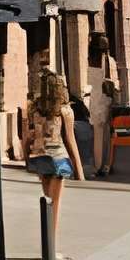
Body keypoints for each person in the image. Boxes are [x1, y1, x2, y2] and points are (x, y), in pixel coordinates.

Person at [24, 69, 84, 241]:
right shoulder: (65, 111)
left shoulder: (34, 109)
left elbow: (28, 138)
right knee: (55, 205)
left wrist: (28, 160)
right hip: (59, 157)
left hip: (40, 157)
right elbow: (70, 140)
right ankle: (51, 247)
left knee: (47, 202)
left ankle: (46, 244)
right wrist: (79, 171)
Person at [88, 33, 123, 176]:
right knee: (105, 136)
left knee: (95, 135)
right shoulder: (109, 61)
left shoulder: (87, 60)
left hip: (91, 101)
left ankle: (97, 165)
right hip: (104, 101)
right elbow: (114, 85)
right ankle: (105, 165)